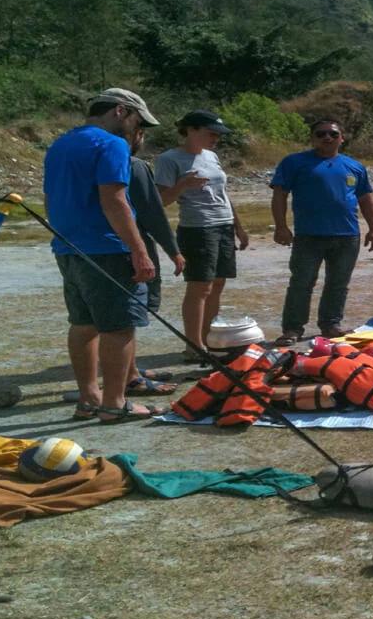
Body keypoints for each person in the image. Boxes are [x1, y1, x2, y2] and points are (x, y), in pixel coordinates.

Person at [44, 88, 165, 422]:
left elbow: (52, 198)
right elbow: (114, 199)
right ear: (121, 111)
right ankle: (115, 403)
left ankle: (89, 398)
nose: (136, 128)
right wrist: (139, 251)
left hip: (68, 248)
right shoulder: (112, 144)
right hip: (108, 248)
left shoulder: (60, 144)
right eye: (138, 120)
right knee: (119, 327)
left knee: (83, 325)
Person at [271, 119, 373, 345]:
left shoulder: (354, 167)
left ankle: (330, 324)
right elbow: (279, 194)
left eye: (332, 134)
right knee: (302, 282)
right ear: (313, 138)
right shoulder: (294, 163)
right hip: (308, 235)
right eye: (321, 134)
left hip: (347, 235)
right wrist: (281, 226)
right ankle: (292, 329)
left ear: (342, 138)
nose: (327, 138)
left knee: (338, 283)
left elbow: (366, 199)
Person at [154, 110, 248, 361]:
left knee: (217, 284)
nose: (216, 138)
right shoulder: (169, 159)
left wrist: (238, 226)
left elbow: (223, 193)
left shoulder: (212, 156)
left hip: (224, 225)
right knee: (200, 287)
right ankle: (193, 346)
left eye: (218, 134)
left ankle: (208, 340)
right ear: (191, 130)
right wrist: (182, 185)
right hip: (198, 228)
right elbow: (160, 201)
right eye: (211, 133)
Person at [124, 127, 184, 394]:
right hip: (130, 248)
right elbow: (152, 212)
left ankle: (130, 368)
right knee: (125, 316)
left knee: (111, 317)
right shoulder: (134, 166)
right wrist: (173, 250)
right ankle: (130, 379)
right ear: (137, 134)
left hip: (83, 248)